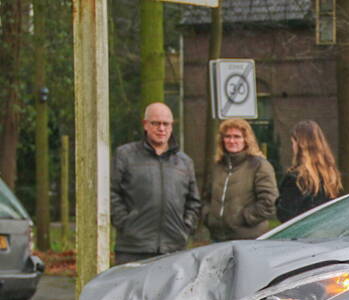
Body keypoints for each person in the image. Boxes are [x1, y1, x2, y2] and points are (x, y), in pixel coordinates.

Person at [110, 102, 201, 265]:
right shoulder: (125, 155)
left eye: (166, 124)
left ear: (172, 126)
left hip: (174, 249)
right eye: (156, 123)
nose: (161, 128)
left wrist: (185, 227)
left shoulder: (184, 162)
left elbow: (194, 201)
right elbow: (111, 193)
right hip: (133, 248)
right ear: (145, 125)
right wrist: (125, 223)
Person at [203, 119, 278, 242]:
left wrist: (243, 218)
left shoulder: (259, 166)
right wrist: (208, 217)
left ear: (246, 140)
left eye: (237, 137)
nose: (232, 141)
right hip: (217, 238)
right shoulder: (218, 166)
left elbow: (269, 202)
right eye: (228, 136)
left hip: (249, 239)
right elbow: (207, 197)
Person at [276, 120, 343, 223]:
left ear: (299, 145)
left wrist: (278, 203)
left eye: (293, 143)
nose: (292, 147)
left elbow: (286, 214)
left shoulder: (296, 178)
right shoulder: (330, 175)